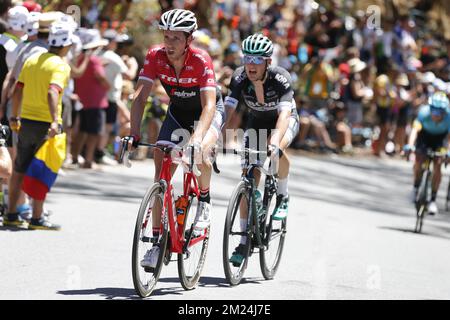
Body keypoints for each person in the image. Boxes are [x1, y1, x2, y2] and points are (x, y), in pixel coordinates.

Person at [125, 9, 225, 269]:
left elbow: (209, 106)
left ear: (189, 39)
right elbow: (140, 96)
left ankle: (203, 200)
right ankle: (158, 243)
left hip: (206, 113)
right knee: (161, 175)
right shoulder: (155, 57)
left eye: (176, 39)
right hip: (178, 114)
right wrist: (134, 131)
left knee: (201, 149)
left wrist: (196, 139)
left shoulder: (201, 60)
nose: (169, 44)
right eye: (166, 37)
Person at [222, 33, 299, 266]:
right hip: (256, 122)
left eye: (257, 60)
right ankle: (244, 240)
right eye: (247, 58)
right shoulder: (239, 78)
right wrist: (216, 134)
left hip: (284, 121)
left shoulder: (280, 78)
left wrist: (275, 141)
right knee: (248, 177)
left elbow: (284, 113)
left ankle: (283, 196)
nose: (251, 64)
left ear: (268, 62)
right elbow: (228, 109)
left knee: (278, 150)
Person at [4, 22, 73, 229]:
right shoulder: (61, 65)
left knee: (19, 168)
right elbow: (53, 91)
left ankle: (11, 214)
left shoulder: (33, 59)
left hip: (26, 120)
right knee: (42, 168)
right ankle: (36, 217)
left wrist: (14, 116)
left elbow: (18, 89)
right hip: (45, 124)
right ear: (66, 45)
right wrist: (54, 120)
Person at [404, 92, 450, 216]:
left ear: (444, 112)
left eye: (439, 112)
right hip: (424, 137)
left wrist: (448, 152)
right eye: (433, 111)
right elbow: (414, 130)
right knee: (419, 160)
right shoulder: (424, 112)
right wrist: (410, 145)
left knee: (438, 164)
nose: (435, 115)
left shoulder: (449, 117)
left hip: (440, 140)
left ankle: (433, 200)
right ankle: (415, 188)